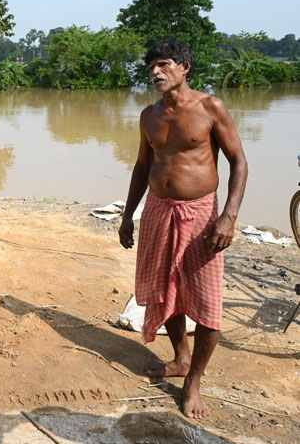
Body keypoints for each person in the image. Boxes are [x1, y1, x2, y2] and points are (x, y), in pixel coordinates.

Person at [118, 38, 248, 419]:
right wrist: (128, 216)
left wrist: (229, 217)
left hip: (201, 214)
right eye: (151, 68)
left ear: (184, 67)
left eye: (163, 64)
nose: (155, 73)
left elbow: (239, 162)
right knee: (165, 289)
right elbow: (142, 168)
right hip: (158, 211)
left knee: (206, 301)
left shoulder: (211, 108)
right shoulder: (149, 116)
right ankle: (179, 358)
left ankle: (193, 381)